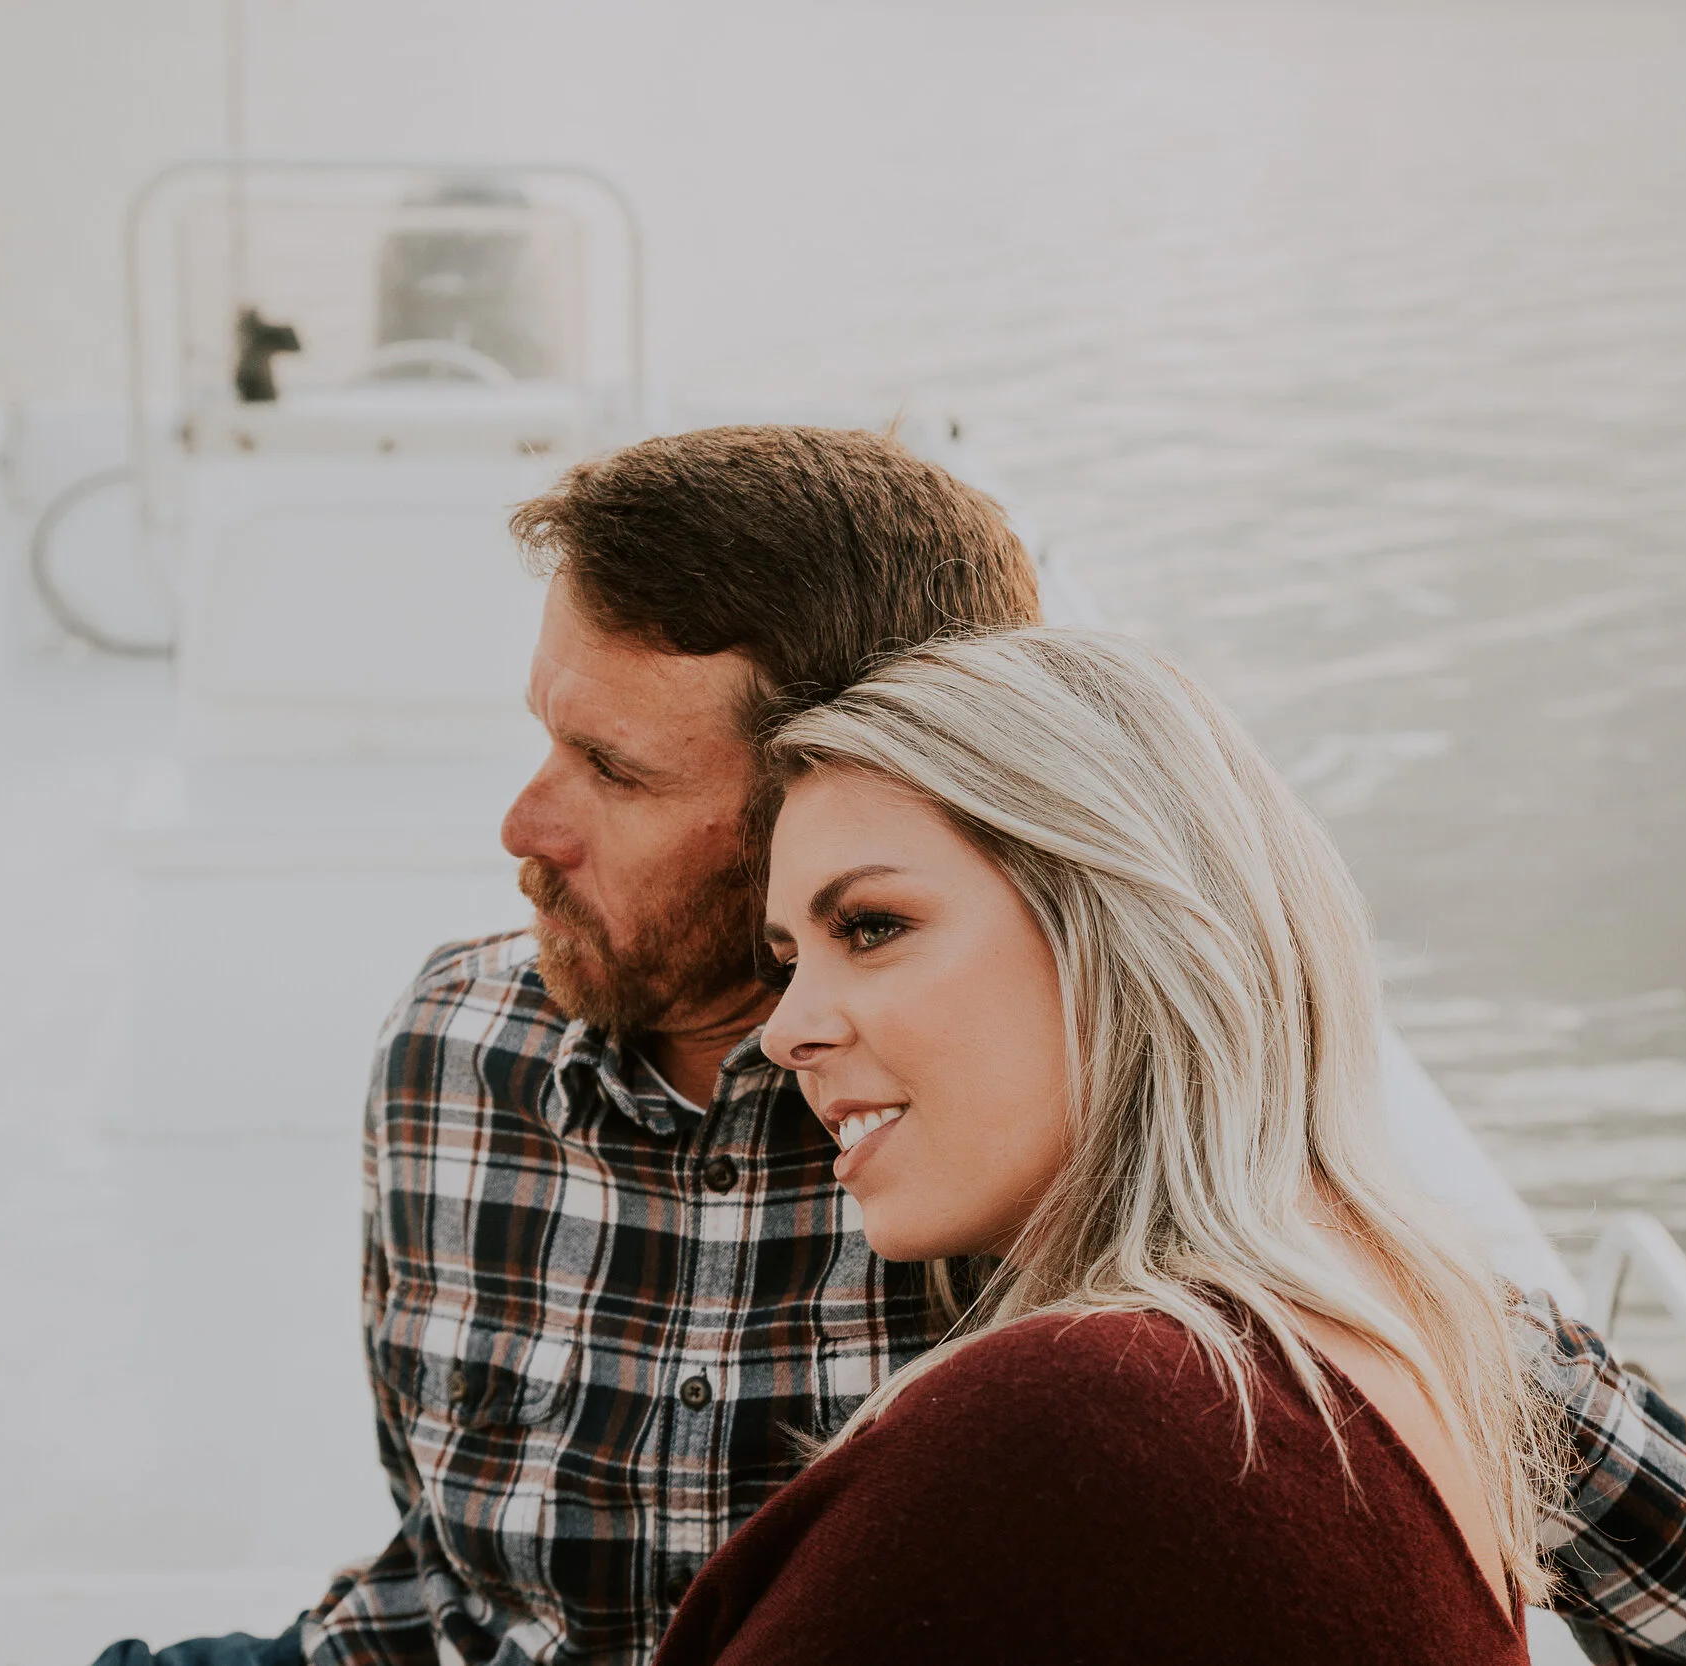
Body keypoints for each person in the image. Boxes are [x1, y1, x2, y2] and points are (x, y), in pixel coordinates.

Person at [94, 426, 1686, 1666]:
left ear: (869, 776)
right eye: (543, 735)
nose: (524, 821)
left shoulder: (1114, 1211)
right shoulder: (459, 1048)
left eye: (619, 772)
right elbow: (442, 1573)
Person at [657, 626, 1554, 1663]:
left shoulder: (1079, 1420)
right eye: (787, 961)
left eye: (869, 925)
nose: (784, 1031)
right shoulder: (1370, 1354)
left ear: (1118, 925)